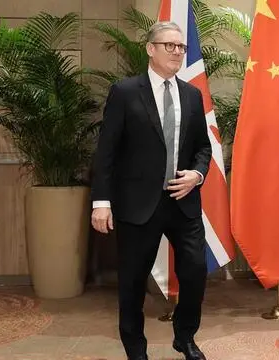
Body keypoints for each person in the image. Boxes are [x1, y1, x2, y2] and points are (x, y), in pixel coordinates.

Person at [90, 21, 211, 360]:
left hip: (182, 202)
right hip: (137, 204)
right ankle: (135, 348)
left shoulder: (192, 94)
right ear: (150, 48)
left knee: (195, 272)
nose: (176, 51)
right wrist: (102, 202)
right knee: (131, 283)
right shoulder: (125, 91)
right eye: (169, 45)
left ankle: (184, 337)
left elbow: (203, 147)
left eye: (181, 47)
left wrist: (197, 175)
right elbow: (107, 152)